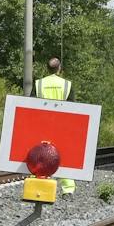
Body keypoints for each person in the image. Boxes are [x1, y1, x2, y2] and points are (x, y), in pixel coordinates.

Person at [36, 58, 77, 194]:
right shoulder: (67, 85)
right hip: (62, 126)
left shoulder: (39, 84)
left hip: (42, 125)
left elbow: (31, 107)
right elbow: (73, 107)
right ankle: (68, 189)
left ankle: (40, 187)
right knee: (64, 155)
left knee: (41, 156)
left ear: (47, 69)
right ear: (59, 69)